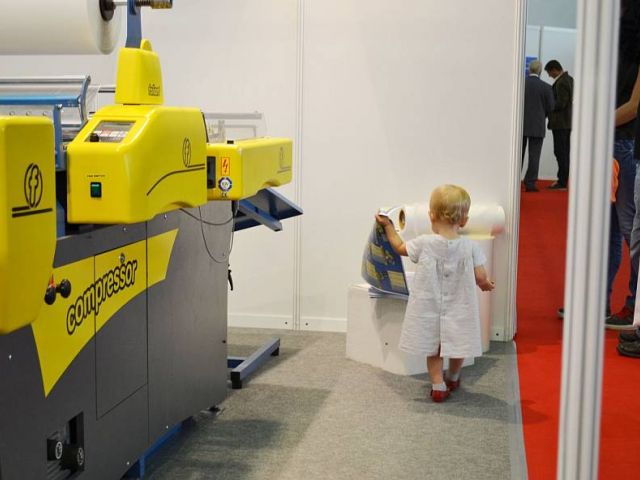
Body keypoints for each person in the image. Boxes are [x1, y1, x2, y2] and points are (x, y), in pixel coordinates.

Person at [375, 185, 494, 402]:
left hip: (430, 307)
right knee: (458, 345)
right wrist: (486, 284)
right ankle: (453, 376)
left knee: (434, 349)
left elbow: (399, 248)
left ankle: (438, 386)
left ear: (431, 216)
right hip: (459, 307)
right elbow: (480, 276)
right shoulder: (471, 247)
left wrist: (389, 226)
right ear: (464, 220)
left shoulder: (424, 243)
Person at [522, 60, 555, 192]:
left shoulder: (520, 84)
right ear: (540, 71)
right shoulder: (546, 87)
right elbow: (551, 107)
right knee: (534, 156)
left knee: (517, 155)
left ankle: (513, 182)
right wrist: (542, 115)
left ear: (529, 70)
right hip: (538, 125)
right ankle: (530, 183)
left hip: (521, 125)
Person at [544, 60, 574, 190]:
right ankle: (563, 179)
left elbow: (561, 103)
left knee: (560, 152)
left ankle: (562, 181)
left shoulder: (561, 82)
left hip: (560, 123)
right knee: (565, 152)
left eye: (549, 73)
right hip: (566, 123)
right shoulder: (569, 79)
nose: (549, 76)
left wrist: (548, 105)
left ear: (554, 69)